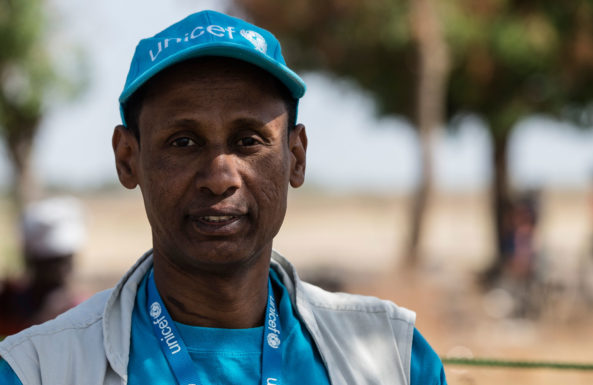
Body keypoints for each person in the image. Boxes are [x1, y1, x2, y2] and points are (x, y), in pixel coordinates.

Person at [0, 10, 446, 384]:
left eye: (249, 140)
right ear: (127, 160)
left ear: (296, 157)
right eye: (183, 142)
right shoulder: (37, 369)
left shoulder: (395, 358)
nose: (219, 177)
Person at [0, 196, 86, 337]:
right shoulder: (9, 304)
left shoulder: (81, 311)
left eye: (66, 260)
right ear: (30, 260)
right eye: (51, 262)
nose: (61, 269)